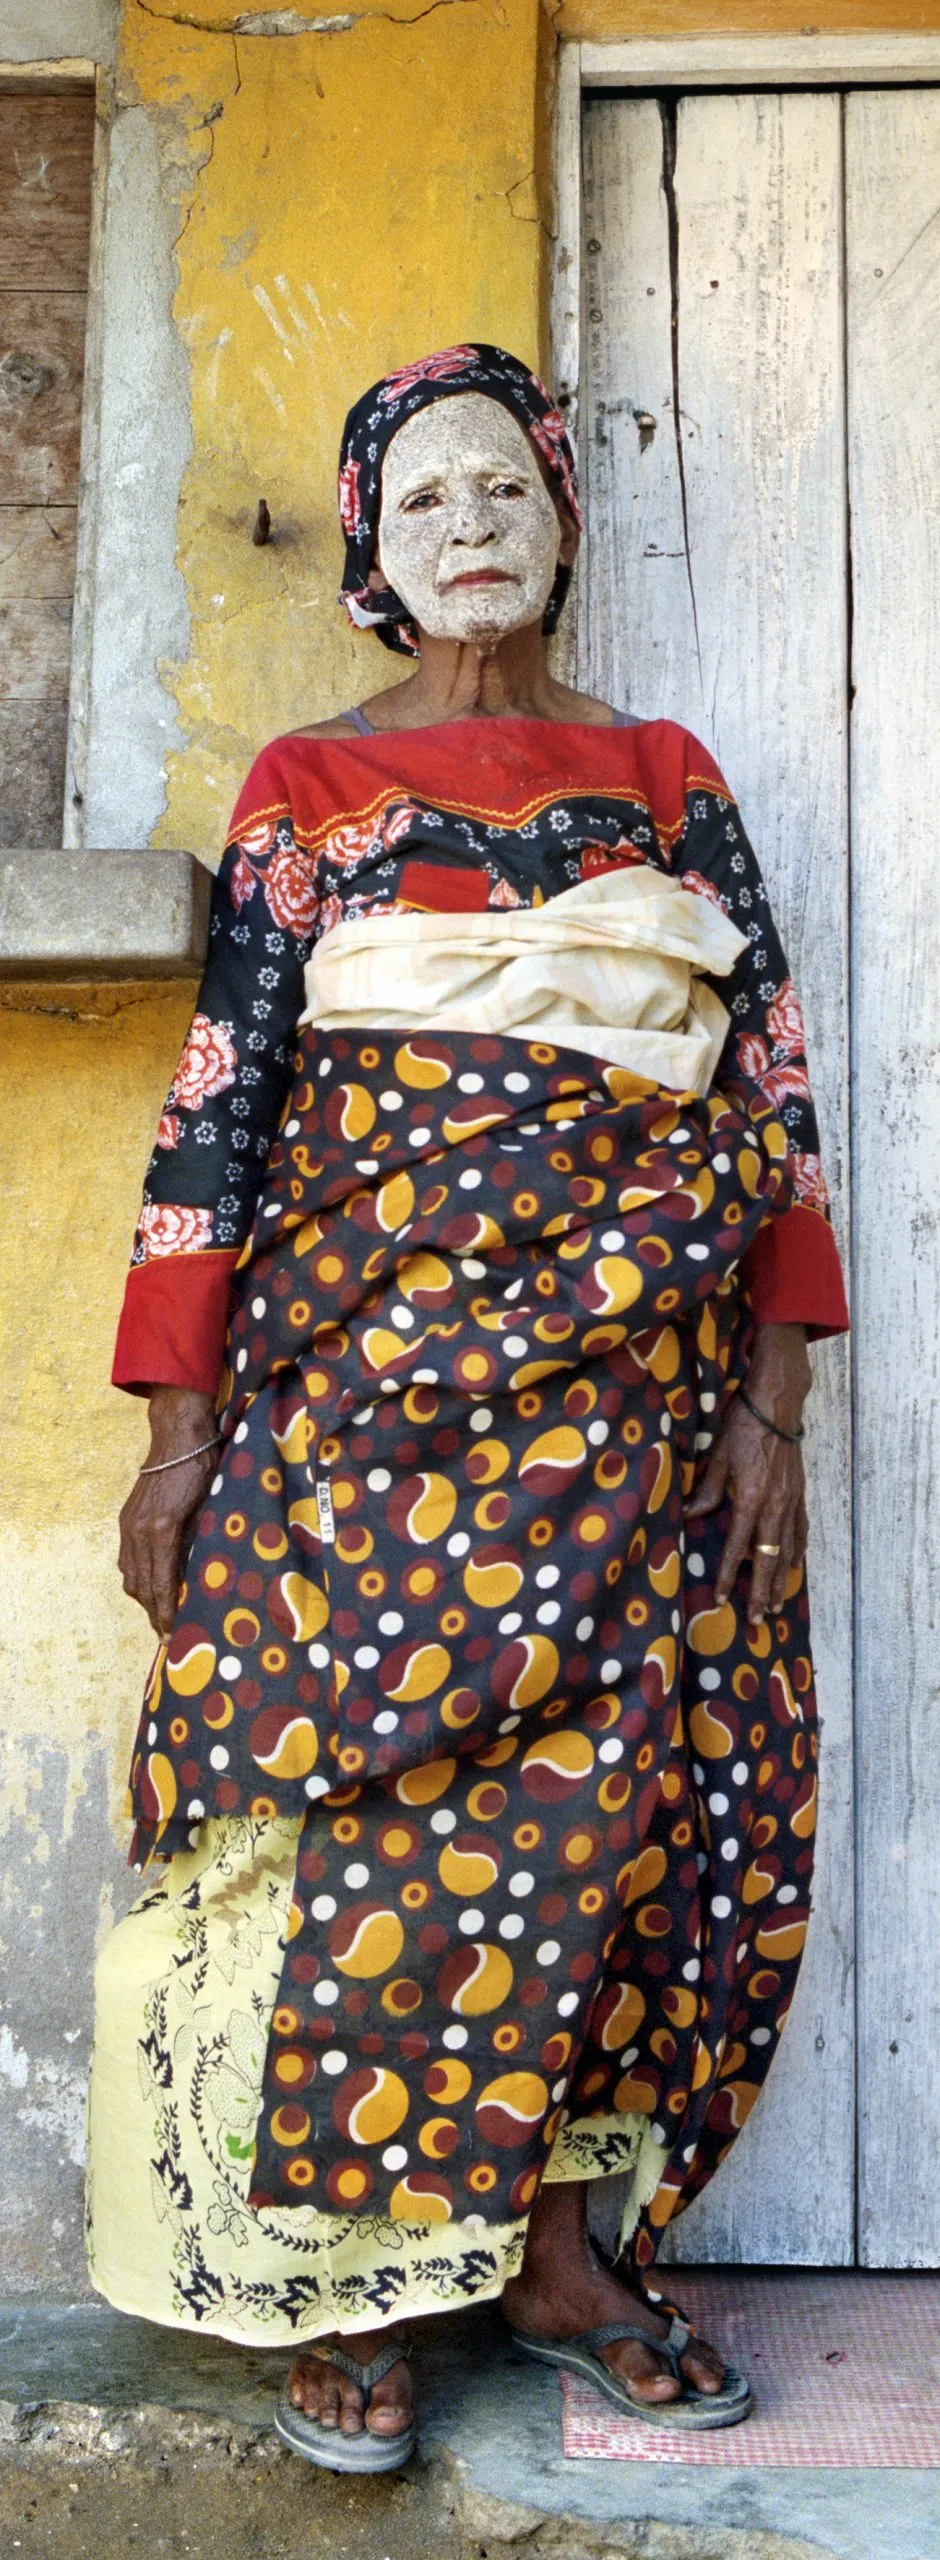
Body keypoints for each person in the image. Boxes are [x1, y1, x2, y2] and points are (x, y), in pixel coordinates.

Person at [87, 344, 848, 2471]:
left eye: (502, 488)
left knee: (609, 1818)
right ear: (369, 558)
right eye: (422, 502)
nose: (470, 527)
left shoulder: (667, 777)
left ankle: (555, 2255)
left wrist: (765, 1408)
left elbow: (762, 1089)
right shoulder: (303, 792)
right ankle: (354, 2269)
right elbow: (223, 1111)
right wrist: (177, 1426)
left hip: (630, 1396)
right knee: (347, 1813)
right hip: (354, 1406)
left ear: (558, 520)